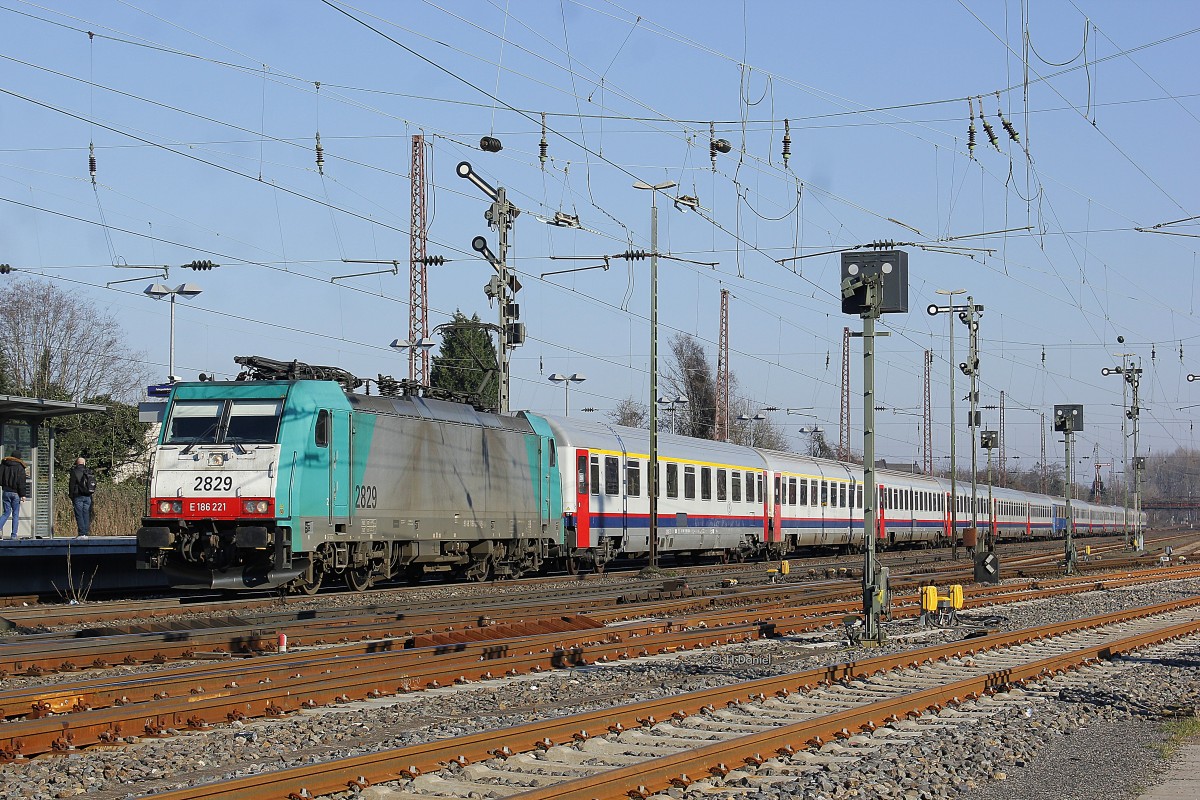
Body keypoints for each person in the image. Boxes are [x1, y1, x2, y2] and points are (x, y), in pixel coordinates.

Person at [0, 454, 29, 539]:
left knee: (6, 512)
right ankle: (13, 535)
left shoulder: (4, 464)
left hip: (6, 492)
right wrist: (23, 494)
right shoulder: (20, 467)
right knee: (15, 514)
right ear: (19, 457)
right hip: (16, 493)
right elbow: (22, 483)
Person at [68, 457, 95, 538]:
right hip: (88, 496)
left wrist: (71, 495)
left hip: (78, 496)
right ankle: (86, 533)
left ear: (77, 463)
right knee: (86, 514)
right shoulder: (89, 472)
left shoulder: (74, 471)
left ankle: (81, 533)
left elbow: (71, 485)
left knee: (79, 514)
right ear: (84, 463)